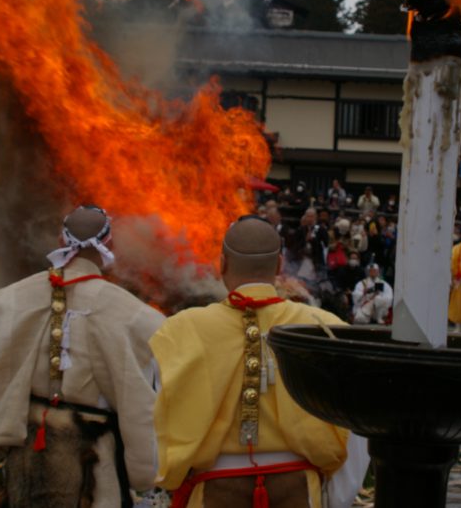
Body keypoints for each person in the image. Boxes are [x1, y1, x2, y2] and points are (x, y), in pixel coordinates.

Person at [149, 216, 367, 508]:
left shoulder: (179, 330)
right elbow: (355, 425)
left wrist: (168, 481)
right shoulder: (324, 328)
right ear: (279, 265)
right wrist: (335, 499)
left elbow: (158, 414)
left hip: (214, 490)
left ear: (222, 263)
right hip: (298, 489)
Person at [0, 206, 164, 507]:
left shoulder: (15, 298)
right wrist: (146, 468)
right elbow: (140, 396)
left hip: (30, 445)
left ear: (61, 240)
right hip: (91, 454)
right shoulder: (131, 313)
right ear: (109, 244)